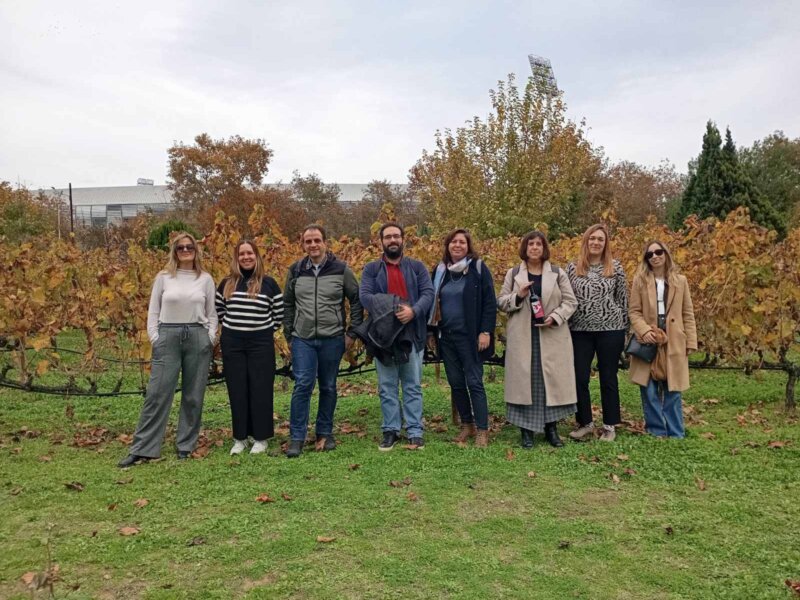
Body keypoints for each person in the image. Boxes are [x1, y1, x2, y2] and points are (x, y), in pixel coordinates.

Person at [118, 232, 217, 467]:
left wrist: (209, 338)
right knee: (157, 393)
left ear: (196, 250)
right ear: (174, 251)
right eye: (180, 247)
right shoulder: (163, 277)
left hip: (196, 335)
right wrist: (155, 336)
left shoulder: (205, 279)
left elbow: (212, 313)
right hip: (168, 335)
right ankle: (144, 447)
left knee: (193, 395)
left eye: (189, 247)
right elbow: (153, 310)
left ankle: (186, 444)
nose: (185, 251)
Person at [283, 224, 363, 458]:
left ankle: (324, 432)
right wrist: (289, 333)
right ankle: (297, 437)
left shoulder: (341, 270)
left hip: (332, 338)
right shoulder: (296, 270)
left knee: (328, 386)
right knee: (303, 385)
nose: (313, 245)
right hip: (303, 339)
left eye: (317, 240)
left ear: (325, 242)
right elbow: (288, 304)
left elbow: (356, 300)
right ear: (303, 245)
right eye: (308, 241)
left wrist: (352, 332)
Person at [497, 231, 577, 448]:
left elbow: (571, 302)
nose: (534, 247)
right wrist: (519, 296)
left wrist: (555, 317)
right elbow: (502, 302)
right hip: (524, 336)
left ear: (544, 248)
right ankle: (526, 431)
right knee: (526, 383)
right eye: (530, 244)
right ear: (525, 247)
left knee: (550, 382)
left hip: (551, 335)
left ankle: (551, 429)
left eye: (539, 244)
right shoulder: (513, 273)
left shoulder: (557, 273)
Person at [360, 222, 434, 451]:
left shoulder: (417, 267)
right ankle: (390, 430)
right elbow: (365, 296)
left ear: (403, 240)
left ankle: (414, 430)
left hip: (412, 331)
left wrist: (413, 311)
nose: (392, 240)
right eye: (388, 237)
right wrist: (392, 309)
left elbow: (428, 293)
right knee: (387, 385)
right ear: (380, 242)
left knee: (412, 384)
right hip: (384, 335)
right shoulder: (372, 269)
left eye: (396, 236)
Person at [427, 229, 497, 447]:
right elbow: (432, 303)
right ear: (448, 245)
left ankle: (483, 429)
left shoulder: (477, 269)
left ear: (468, 247)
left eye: (462, 242)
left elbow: (489, 302)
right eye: (454, 242)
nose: (458, 245)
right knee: (456, 383)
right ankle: (467, 425)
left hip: (470, 337)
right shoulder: (440, 272)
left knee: (474, 382)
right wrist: (431, 332)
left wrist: (485, 331)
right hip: (446, 337)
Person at [216, 240, 283, 455]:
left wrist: (261, 329)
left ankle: (261, 437)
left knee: (260, 388)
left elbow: (279, 314)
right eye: (241, 254)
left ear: (257, 256)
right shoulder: (226, 283)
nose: (246, 257)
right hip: (233, 343)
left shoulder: (269, 284)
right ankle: (240, 437)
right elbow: (219, 310)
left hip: (260, 342)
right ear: (236, 258)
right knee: (237, 389)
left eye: (250, 253)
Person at [566, 224, 629, 442]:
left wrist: (625, 329)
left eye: (600, 239)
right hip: (580, 331)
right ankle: (585, 423)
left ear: (605, 244)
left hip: (610, 330)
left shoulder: (616, 268)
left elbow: (623, 300)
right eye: (592, 238)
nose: (595, 242)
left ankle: (610, 425)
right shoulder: (572, 268)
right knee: (579, 377)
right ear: (586, 241)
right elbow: (566, 298)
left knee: (608, 377)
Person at [628, 241, 697, 438]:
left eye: (658, 252)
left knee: (673, 388)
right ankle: (656, 430)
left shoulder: (680, 281)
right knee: (648, 388)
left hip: (673, 339)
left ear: (666, 254)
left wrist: (690, 341)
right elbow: (634, 311)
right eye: (650, 254)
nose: (655, 256)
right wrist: (643, 331)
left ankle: (676, 432)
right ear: (646, 259)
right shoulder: (640, 280)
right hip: (648, 338)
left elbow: (687, 312)